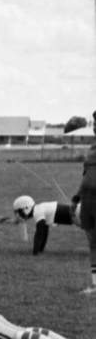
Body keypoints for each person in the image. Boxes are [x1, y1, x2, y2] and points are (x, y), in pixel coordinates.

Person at [11, 196, 78, 256]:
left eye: (19, 212)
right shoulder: (40, 208)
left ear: (26, 208)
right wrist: (40, 249)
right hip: (76, 215)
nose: (19, 215)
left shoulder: (37, 212)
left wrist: (35, 252)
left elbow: (39, 233)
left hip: (77, 215)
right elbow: (44, 232)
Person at [77, 109, 96, 294]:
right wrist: (77, 196)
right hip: (87, 201)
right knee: (92, 244)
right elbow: (85, 175)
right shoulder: (91, 149)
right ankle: (95, 285)